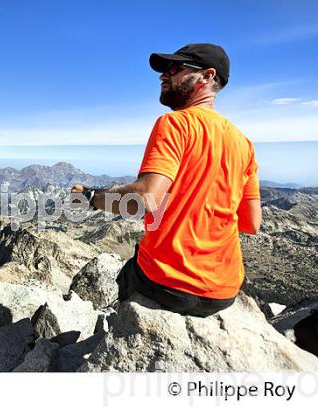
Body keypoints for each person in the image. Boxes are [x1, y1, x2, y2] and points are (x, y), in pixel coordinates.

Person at [71, 43, 262, 317]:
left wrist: (91, 198)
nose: (163, 76)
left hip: (166, 284)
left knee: (128, 272)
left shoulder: (175, 124)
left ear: (207, 77)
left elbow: (145, 199)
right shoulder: (245, 144)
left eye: (175, 69)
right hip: (224, 291)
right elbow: (251, 223)